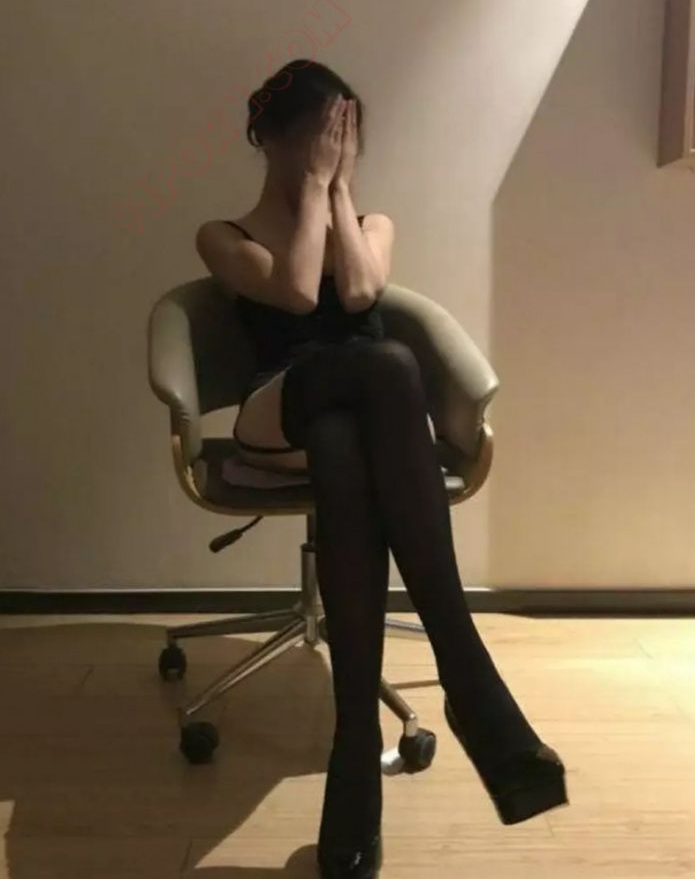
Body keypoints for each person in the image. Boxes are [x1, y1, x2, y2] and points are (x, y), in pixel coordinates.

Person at [195, 61, 567, 879]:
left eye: (346, 137)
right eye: (321, 136)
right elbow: (300, 293)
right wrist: (312, 187)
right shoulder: (223, 234)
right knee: (389, 366)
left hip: (354, 428)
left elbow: (359, 291)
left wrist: (336, 195)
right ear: (272, 138)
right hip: (276, 408)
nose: (335, 151)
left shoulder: (373, 222)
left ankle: (354, 758)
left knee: (350, 429)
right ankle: (467, 673)